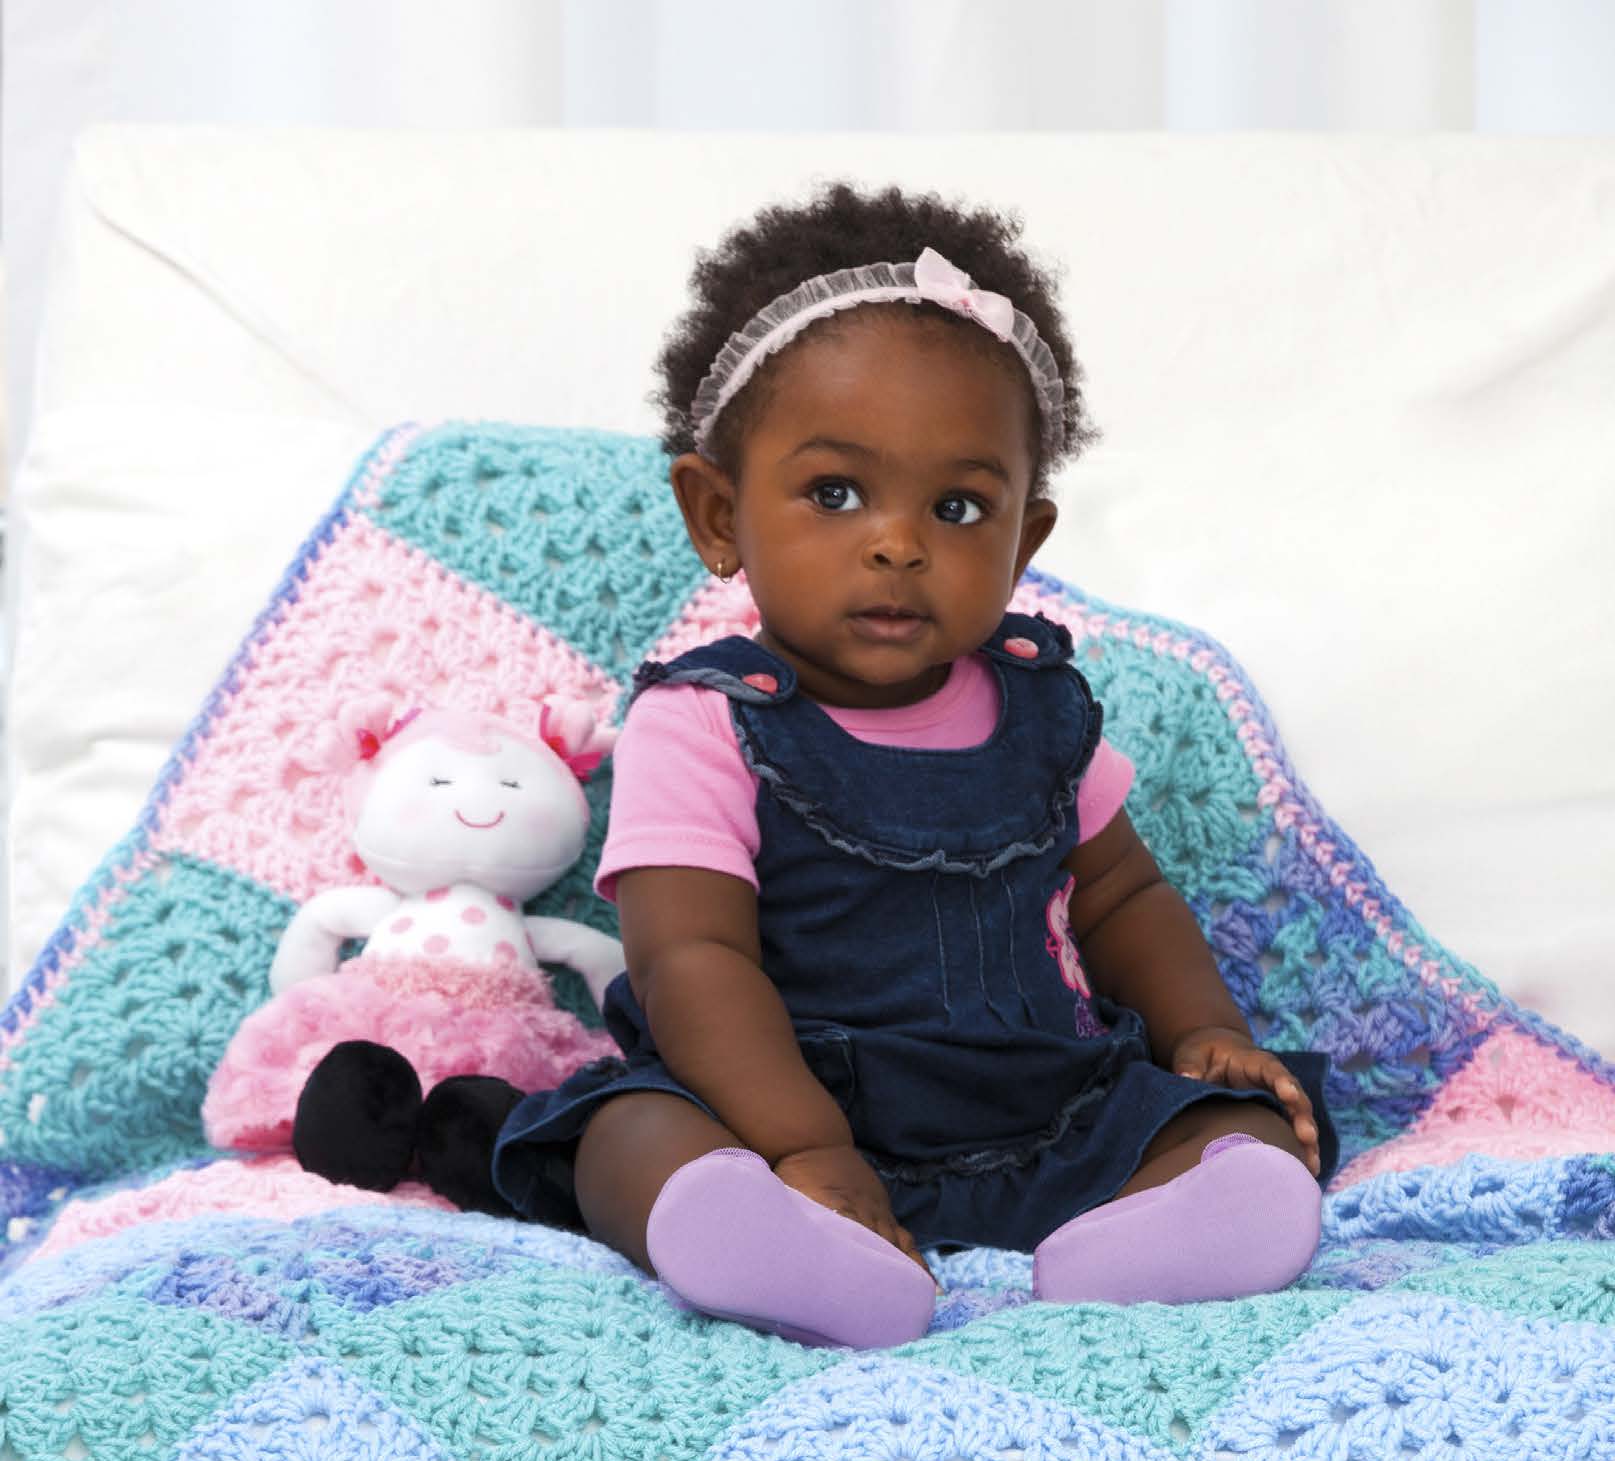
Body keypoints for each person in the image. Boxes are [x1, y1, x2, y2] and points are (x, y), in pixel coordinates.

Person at [431, 180, 1336, 1347]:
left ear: (1024, 540)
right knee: (627, 1134)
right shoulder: (704, 721)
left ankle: (1160, 1237)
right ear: (717, 514)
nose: (898, 542)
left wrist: (1203, 1028)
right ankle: (761, 1245)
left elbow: (1120, 895)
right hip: (771, 1110)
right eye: (835, 493)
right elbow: (690, 958)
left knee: (1242, 1125)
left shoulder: (1039, 706)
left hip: (1040, 1101)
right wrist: (804, 1144)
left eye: (958, 507)